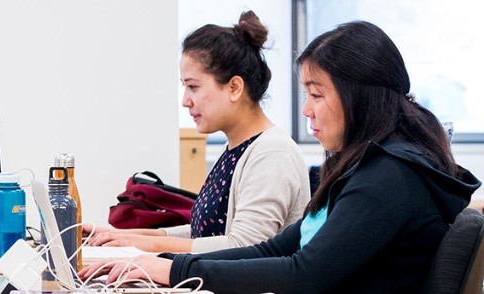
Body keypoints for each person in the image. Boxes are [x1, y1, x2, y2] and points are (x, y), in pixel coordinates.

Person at [79, 21, 481, 293]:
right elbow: (275, 249)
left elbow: (304, 273)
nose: (306, 109)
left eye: (317, 94)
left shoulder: (389, 176)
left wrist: (171, 269)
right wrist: (162, 262)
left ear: (360, 95)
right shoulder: (362, 167)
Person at [83, 11, 310, 253]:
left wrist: (145, 244)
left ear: (234, 87)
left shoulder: (272, 153)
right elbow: (205, 233)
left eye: (193, 86)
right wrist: (119, 236)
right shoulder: (236, 149)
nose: (185, 101)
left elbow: (242, 247)